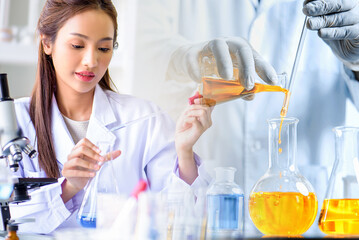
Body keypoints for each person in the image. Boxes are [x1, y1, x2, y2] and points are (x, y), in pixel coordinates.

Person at [130, 0, 359, 235]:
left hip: (311, 217)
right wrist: (184, 59)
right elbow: (136, 54)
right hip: (205, 216)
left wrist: (358, 61)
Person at [9, 0, 212, 234]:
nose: (91, 61)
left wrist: (185, 152)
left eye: (103, 48)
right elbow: (7, 220)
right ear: (47, 42)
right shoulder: (13, 121)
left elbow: (180, 221)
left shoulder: (145, 118)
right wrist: (67, 188)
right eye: (77, 45)